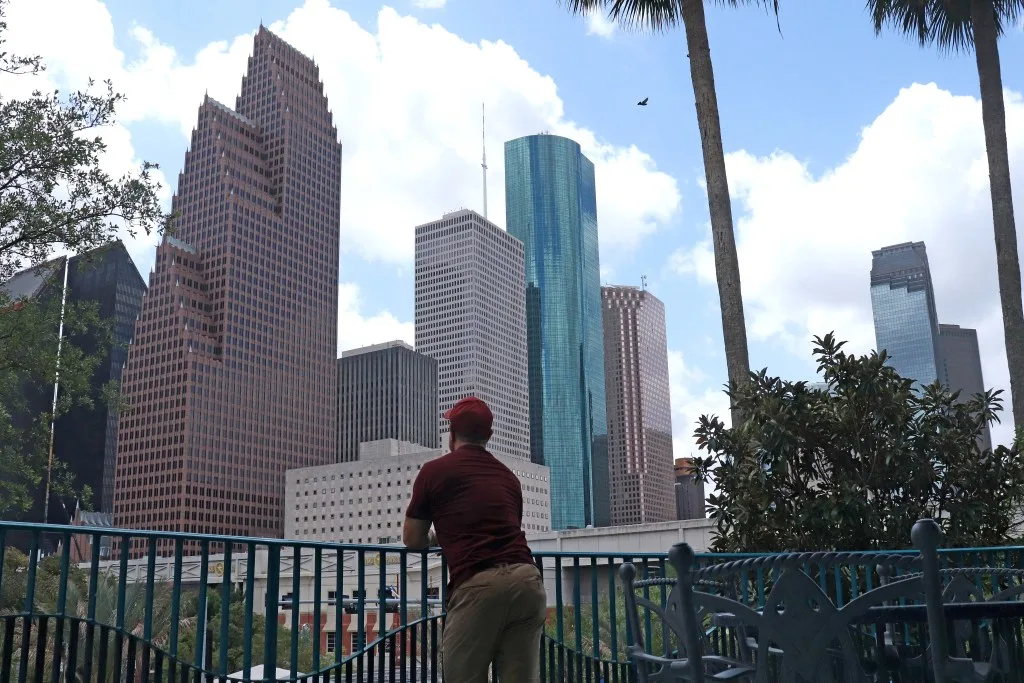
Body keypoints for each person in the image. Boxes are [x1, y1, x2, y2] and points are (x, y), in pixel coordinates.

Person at [403, 395, 547, 683]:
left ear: (452, 435)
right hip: (527, 581)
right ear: (489, 436)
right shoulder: (509, 478)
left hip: (478, 584)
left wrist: (436, 540)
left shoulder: (434, 471)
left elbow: (412, 538)